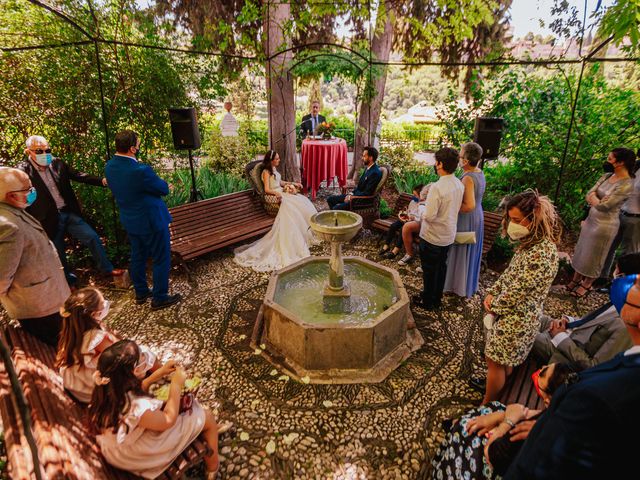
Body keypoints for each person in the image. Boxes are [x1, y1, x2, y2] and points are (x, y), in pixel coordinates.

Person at [504, 272, 640, 479]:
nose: (623, 280)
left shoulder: (600, 394)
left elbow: (540, 461)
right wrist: (569, 322)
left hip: (566, 354)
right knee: (524, 316)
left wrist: (559, 338)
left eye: (637, 284)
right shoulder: (618, 309)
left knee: (517, 330)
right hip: (570, 334)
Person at [89, 340, 229, 479]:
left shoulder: (106, 392)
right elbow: (168, 420)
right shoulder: (136, 408)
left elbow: (135, 392)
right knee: (207, 416)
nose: (145, 358)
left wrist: (159, 373)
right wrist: (176, 385)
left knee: (172, 405)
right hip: (138, 456)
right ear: (133, 372)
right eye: (141, 358)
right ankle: (213, 468)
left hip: (118, 450)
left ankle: (199, 432)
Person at [431, 362, 582, 480]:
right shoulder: (570, 414)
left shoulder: (535, 436)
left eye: (543, 373)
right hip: (510, 450)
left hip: (497, 461)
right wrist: (500, 416)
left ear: (548, 400)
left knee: (465, 428)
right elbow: (529, 413)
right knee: (495, 407)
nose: (542, 367)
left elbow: (493, 454)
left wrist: (507, 422)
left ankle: (448, 464)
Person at [480, 190, 560, 404]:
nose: (511, 225)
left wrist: (494, 305)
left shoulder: (542, 253)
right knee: (502, 362)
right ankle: (495, 392)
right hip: (513, 316)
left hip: (518, 320)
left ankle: (485, 405)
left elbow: (518, 290)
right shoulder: (531, 246)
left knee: (494, 361)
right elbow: (509, 274)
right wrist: (493, 292)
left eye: (516, 220)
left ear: (533, 219)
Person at [20, 135, 122, 284]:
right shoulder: (23, 171)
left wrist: (102, 181)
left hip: (68, 213)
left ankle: (106, 269)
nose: (45, 154)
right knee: (59, 253)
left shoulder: (57, 163)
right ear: (29, 152)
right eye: (39, 151)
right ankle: (69, 282)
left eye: (47, 150)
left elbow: (79, 175)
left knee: (92, 237)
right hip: (48, 219)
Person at [105, 130, 181, 310]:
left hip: (131, 221)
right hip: (152, 221)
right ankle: (160, 297)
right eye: (138, 144)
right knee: (161, 258)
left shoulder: (109, 167)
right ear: (132, 149)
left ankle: (141, 292)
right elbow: (163, 189)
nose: (139, 147)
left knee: (137, 256)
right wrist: (164, 184)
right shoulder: (140, 170)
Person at [0, 167, 70, 346]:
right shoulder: (7, 226)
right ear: (11, 196)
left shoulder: (14, 210)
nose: (33, 192)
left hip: (48, 299)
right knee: (61, 346)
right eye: (27, 189)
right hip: (40, 307)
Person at [56, 287, 160, 403]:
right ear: (95, 314)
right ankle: (168, 373)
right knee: (146, 355)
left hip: (76, 386)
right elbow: (123, 358)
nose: (106, 304)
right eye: (103, 303)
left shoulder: (73, 329)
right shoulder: (97, 339)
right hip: (92, 393)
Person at [565, 148, 634, 298]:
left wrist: (594, 199)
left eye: (610, 159)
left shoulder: (627, 184)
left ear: (620, 162)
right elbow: (589, 192)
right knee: (582, 250)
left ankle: (587, 284)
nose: (607, 161)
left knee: (595, 255)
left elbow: (605, 206)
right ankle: (576, 279)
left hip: (605, 225)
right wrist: (595, 198)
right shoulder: (607, 176)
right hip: (591, 219)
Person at [234, 150, 317, 271]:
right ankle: (292, 241)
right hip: (275, 195)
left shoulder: (274, 170)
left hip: (281, 192)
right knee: (293, 206)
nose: (279, 160)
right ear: (271, 160)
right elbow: (267, 189)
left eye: (278, 158)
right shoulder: (266, 172)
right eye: (277, 159)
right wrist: (278, 193)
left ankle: (307, 233)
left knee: (303, 201)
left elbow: (280, 182)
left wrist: (291, 184)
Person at [412, 147, 464, 310]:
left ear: (440, 164)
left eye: (436, 162)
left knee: (429, 270)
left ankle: (428, 301)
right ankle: (436, 298)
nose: (435, 165)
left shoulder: (437, 187)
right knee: (441, 268)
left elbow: (430, 216)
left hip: (432, 236)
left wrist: (420, 208)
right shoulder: (458, 184)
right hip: (447, 234)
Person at [443, 142, 486, 298]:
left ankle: (456, 286)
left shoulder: (468, 178)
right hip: (478, 217)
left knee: (460, 249)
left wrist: (450, 206)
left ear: (466, 161)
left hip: (467, 218)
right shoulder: (479, 172)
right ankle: (466, 284)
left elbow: (469, 205)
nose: (459, 159)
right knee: (469, 251)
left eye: (460, 156)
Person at [601, 148, 640, 279]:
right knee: (608, 246)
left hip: (636, 219)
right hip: (619, 213)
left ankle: (624, 284)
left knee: (628, 254)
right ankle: (602, 277)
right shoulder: (634, 168)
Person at [327, 146, 382, 211]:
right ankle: (336, 217)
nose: (362, 158)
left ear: (370, 158)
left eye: (364, 156)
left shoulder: (375, 173)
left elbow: (367, 193)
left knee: (336, 209)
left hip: (360, 201)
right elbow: (359, 187)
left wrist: (351, 197)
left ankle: (338, 218)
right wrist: (350, 194)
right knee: (330, 199)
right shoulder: (368, 168)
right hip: (355, 196)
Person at [379, 183, 424, 259]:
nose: (413, 197)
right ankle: (386, 245)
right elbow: (409, 211)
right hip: (407, 219)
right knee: (393, 226)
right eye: (413, 195)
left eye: (415, 196)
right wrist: (403, 214)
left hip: (414, 223)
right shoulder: (413, 201)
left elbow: (419, 218)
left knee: (403, 229)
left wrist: (410, 219)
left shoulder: (422, 205)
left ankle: (395, 250)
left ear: (421, 196)